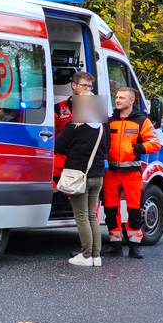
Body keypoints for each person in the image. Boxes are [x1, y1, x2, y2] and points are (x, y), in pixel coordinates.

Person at [102, 87, 160, 259]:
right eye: (117, 97)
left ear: (131, 101)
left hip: (131, 172)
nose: (117, 100)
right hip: (111, 171)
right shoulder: (109, 120)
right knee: (110, 210)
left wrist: (137, 148)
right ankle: (115, 245)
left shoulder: (142, 121)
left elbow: (154, 143)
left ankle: (135, 246)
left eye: (121, 98)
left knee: (134, 210)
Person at [55, 106, 110, 266]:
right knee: (92, 215)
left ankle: (86, 256)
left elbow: (57, 145)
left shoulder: (74, 126)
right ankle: (96, 256)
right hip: (97, 175)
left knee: (81, 216)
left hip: (79, 175)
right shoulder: (100, 127)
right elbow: (105, 148)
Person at [55, 72, 95, 136]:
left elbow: (103, 136)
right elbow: (52, 135)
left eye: (90, 86)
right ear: (73, 85)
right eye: (84, 86)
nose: (88, 89)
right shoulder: (59, 107)